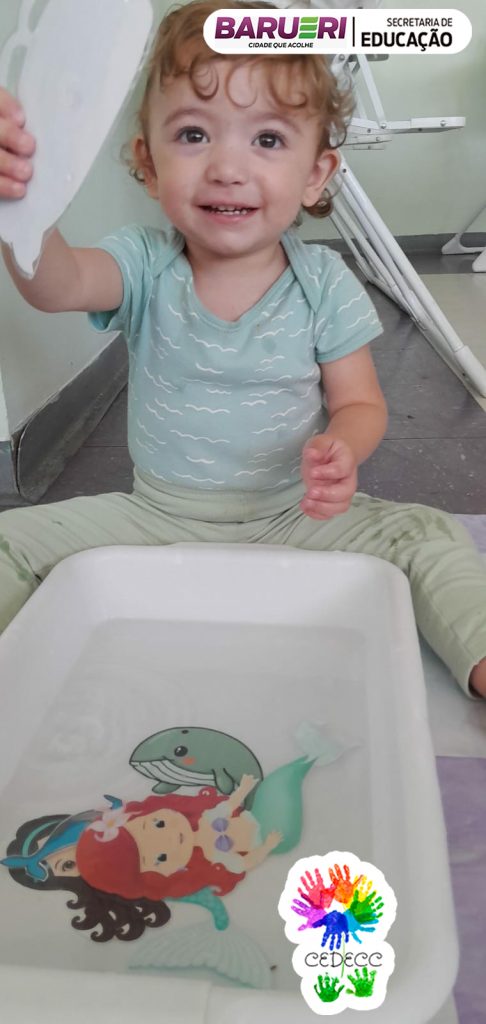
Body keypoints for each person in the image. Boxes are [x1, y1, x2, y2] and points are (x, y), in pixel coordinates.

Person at [0, 0, 485, 700]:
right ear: (147, 162)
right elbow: (58, 283)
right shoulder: (143, 262)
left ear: (317, 173)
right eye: (193, 134)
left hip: (295, 514)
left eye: (267, 139)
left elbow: (360, 403)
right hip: (155, 517)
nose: (228, 167)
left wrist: (343, 449)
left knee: (429, 536)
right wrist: (24, 206)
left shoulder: (325, 282)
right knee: (9, 542)